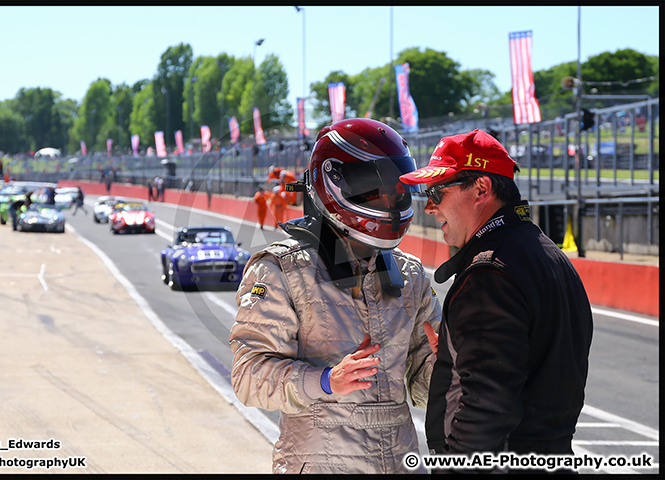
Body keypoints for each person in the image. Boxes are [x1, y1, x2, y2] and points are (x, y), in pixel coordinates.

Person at [229, 118, 441, 474]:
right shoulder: (280, 270)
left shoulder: (411, 275)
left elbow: (423, 389)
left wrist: (453, 367)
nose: (389, 200)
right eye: (375, 190)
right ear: (333, 182)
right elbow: (249, 377)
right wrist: (327, 380)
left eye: (397, 190)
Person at [399, 129, 593, 473]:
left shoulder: (490, 273)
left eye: (437, 192)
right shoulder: (549, 254)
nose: (429, 207)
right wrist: (463, 351)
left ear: (481, 189)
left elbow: (486, 405)